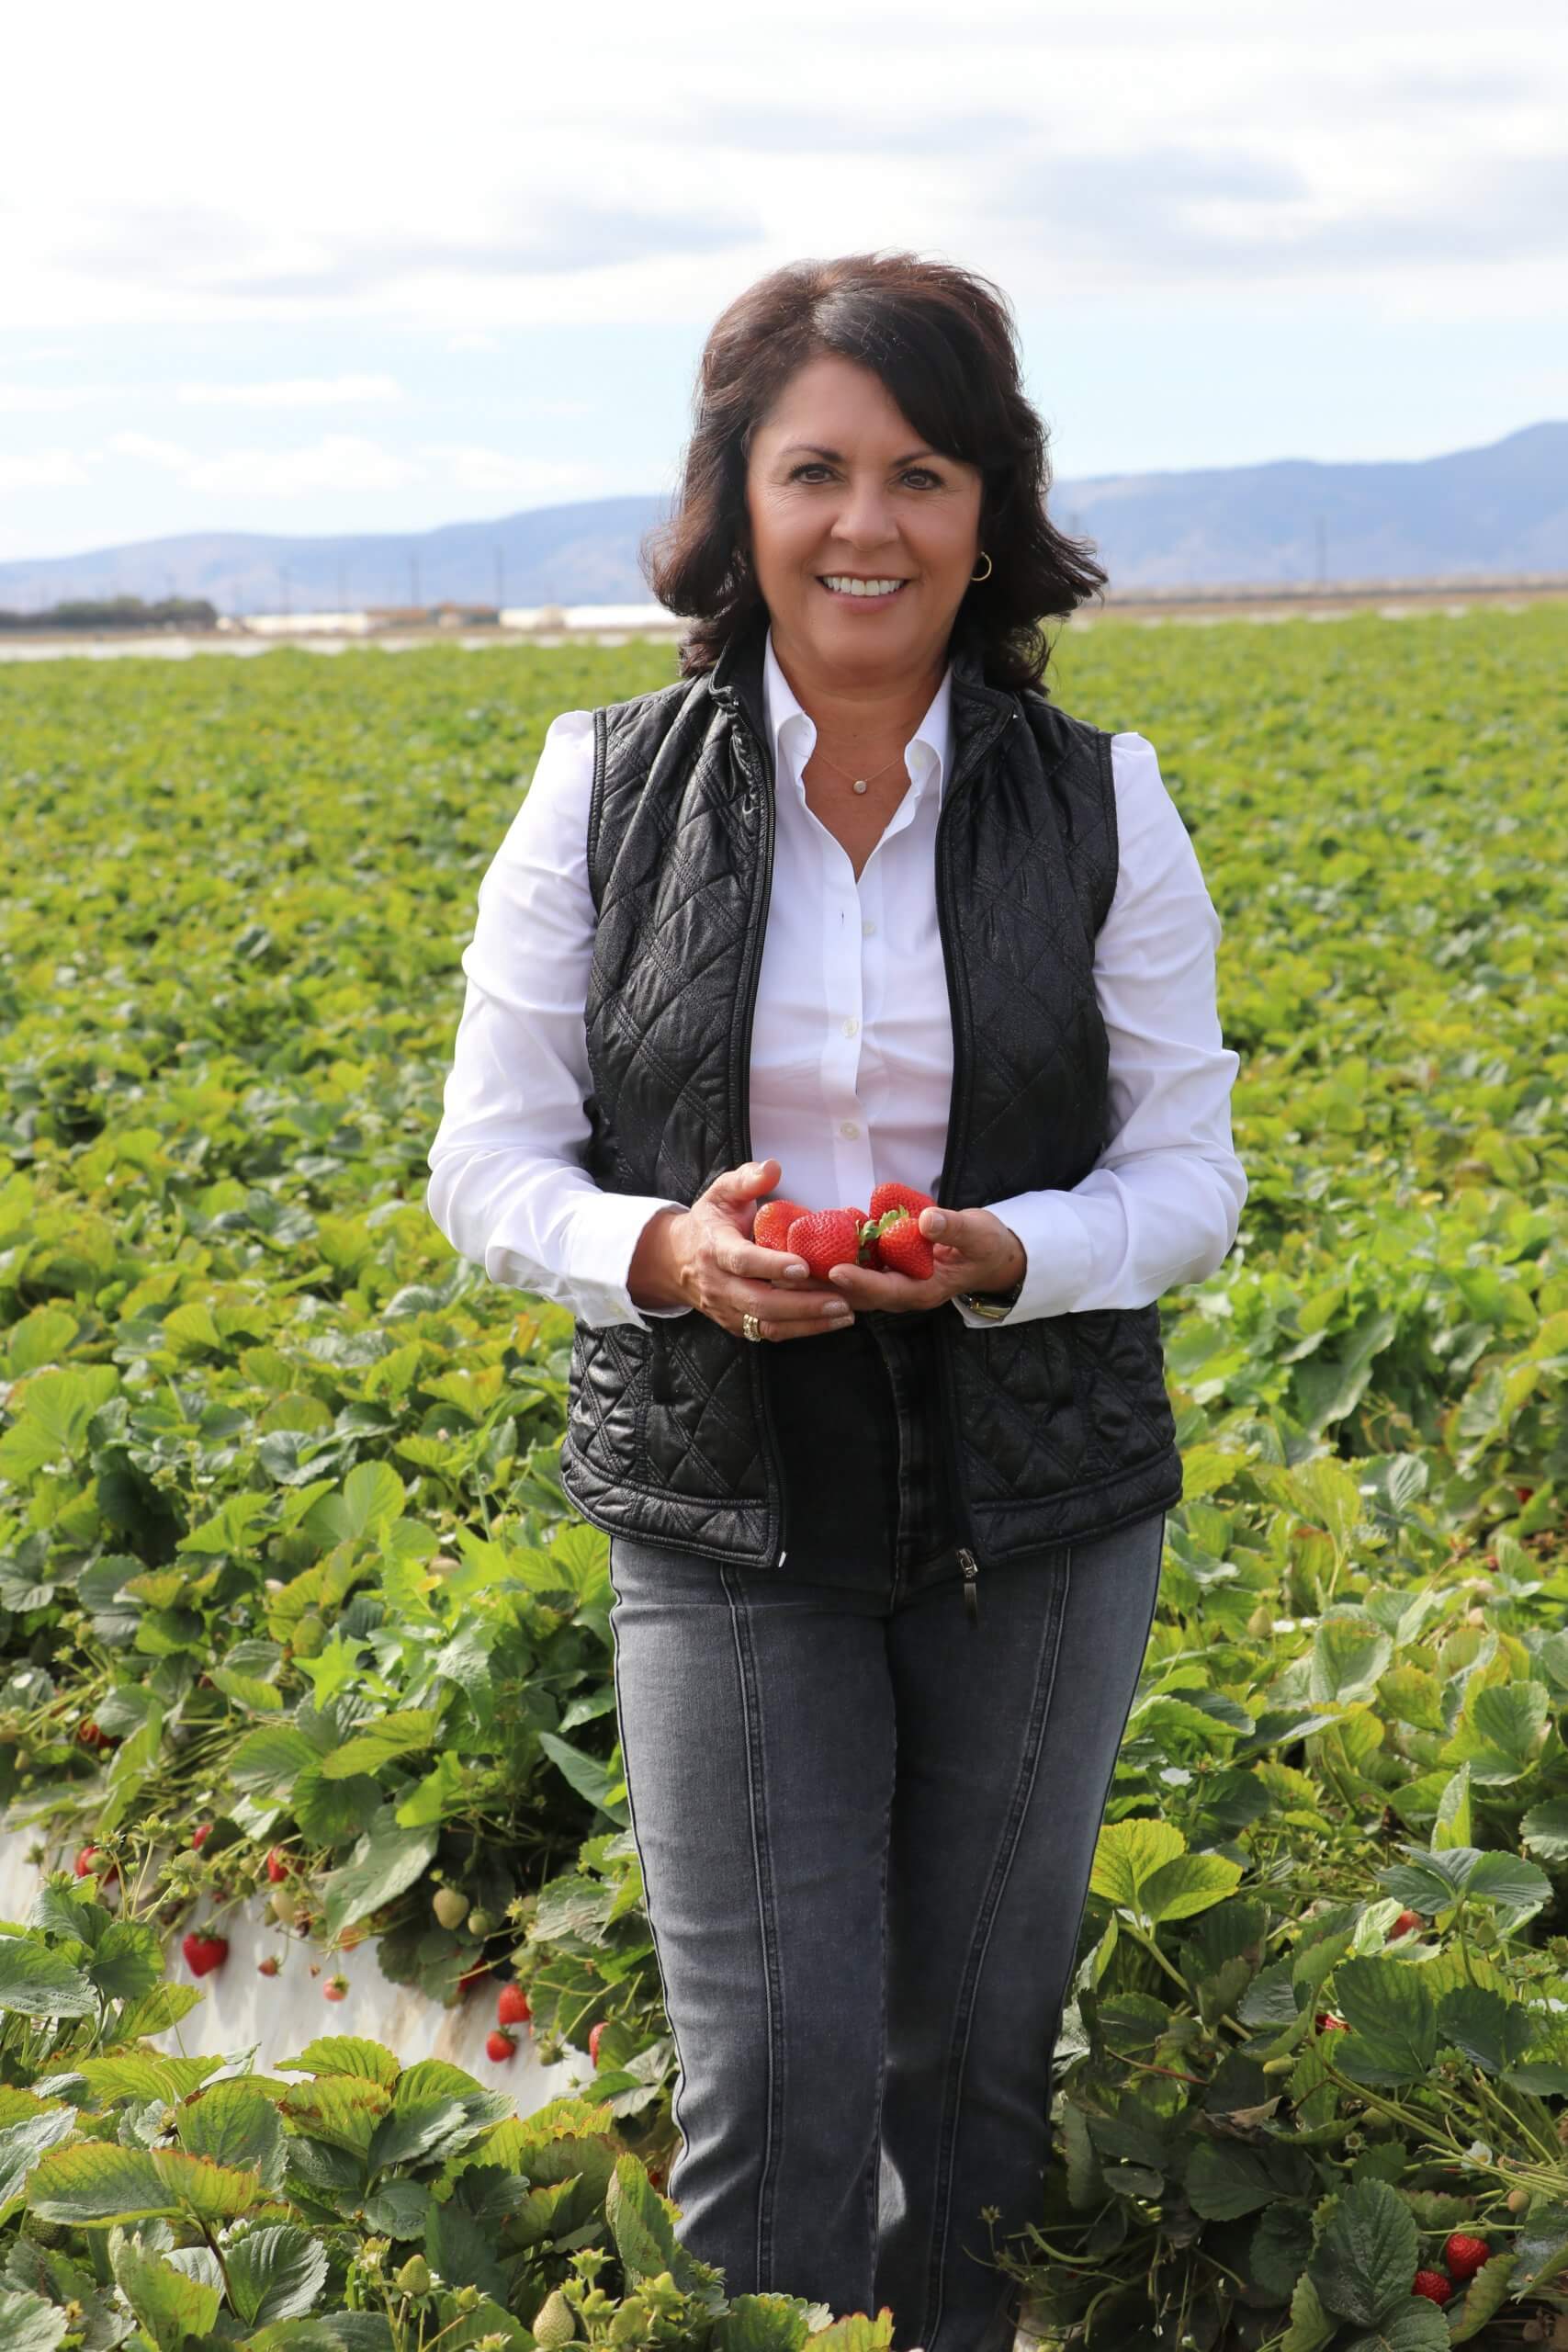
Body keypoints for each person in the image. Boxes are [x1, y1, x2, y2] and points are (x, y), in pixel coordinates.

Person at [425, 249, 1247, 2352]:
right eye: (813, 470)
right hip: (726, 1496)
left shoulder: (1099, 797)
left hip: (1039, 1504)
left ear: (990, 515)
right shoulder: (601, 784)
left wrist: (1003, 1251)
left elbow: (1183, 1174)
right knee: (772, 2076)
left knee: (972, 2059)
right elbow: (488, 1162)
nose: (864, 524)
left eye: (921, 471)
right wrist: (665, 1252)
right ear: (736, 501)